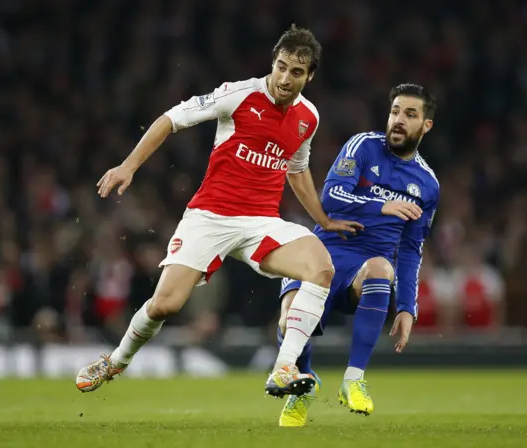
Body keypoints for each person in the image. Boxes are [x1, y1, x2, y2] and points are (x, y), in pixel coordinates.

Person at [75, 25, 363, 397]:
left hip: (261, 222)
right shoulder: (238, 94)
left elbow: (297, 169)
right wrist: (129, 165)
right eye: (281, 66)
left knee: (321, 268)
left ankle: (283, 367)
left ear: (310, 76)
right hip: (210, 217)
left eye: (296, 72)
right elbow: (170, 119)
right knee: (165, 305)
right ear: (272, 63)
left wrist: (322, 220)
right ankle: (115, 361)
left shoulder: (308, 117)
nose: (285, 78)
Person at [276, 83, 440, 426]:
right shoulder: (363, 145)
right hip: (324, 250)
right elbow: (331, 197)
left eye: (410, 114)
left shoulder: (426, 184)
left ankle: (353, 379)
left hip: (364, 268)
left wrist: (408, 307)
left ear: (426, 125)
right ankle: (303, 385)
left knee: (383, 267)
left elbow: (411, 250)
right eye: (395, 111)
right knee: (287, 315)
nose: (398, 120)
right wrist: (383, 205)